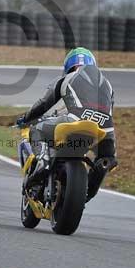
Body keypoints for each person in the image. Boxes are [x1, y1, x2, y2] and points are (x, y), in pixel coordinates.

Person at [15, 47, 117, 202]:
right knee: (106, 158)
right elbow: (108, 110)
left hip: (75, 120)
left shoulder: (66, 78)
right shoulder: (107, 84)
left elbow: (43, 104)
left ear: (68, 66)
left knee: (36, 130)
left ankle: (43, 161)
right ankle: (89, 189)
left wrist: (25, 118)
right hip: (105, 129)